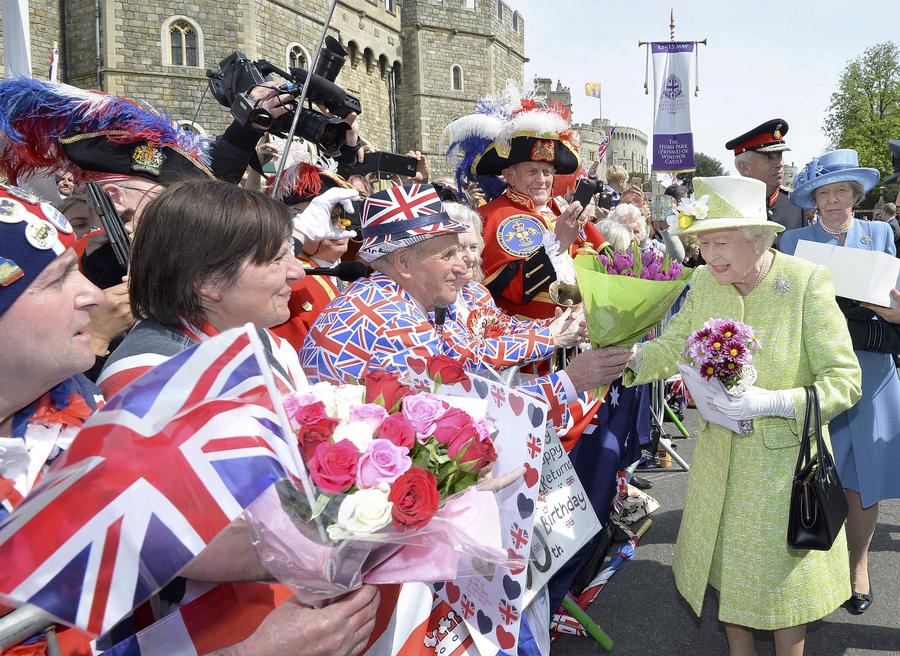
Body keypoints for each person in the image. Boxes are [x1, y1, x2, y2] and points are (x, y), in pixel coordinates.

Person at [94, 177, 380, 655]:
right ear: (207, 280)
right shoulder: (145, 373)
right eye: (276, 259)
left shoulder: (263, 341)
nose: (298, 273)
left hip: (290, 607)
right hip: (217, 627)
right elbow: (174, 537)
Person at [625, 175, 861, 656]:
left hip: (781, 473)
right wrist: (630, 357)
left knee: (777, 594)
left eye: (721, 241)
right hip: (717, 465)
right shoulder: (703, 282)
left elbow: (844, 380)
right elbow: (676, 346)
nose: (710, 254)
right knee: (731, 579)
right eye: (703, 242)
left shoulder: (803, 282)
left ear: (759, 237)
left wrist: (772, 402)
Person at [780, 149, 900, 615]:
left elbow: (893, 298)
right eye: (824, 193)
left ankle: (859, 564)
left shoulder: (880, 234)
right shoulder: (793, 242)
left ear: (856, 194)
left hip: (872, 372)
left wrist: (888, 307)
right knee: (816, 470)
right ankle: (815, 568)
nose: (833, 200)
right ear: (813, 199)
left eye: (842, 191)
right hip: (817, 370)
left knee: (863, 477)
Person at [441, 93, 605, 321]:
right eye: (532, 171)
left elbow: (604, 258)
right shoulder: (490, 217)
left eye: (547, 172)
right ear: (508, 175)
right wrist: (558, 244)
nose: (542, 180)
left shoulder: (561, 209)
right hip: (529, 344)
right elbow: (508, 288)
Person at [726, 119, 806, 237]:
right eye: (768, 157)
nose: (779, 164)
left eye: (779, 155)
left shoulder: (795, 205)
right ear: (744, 167)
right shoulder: (727, 208)